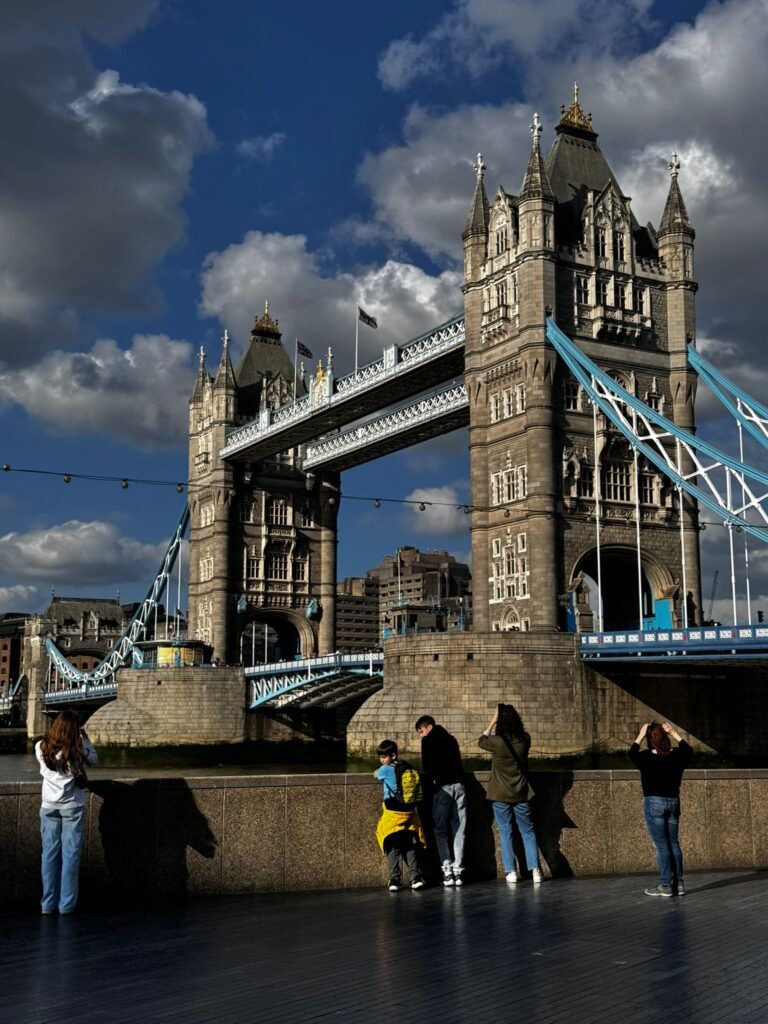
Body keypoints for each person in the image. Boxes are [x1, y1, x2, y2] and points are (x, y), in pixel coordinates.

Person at [35, 710, 98, 915]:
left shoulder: (40, 747)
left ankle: (47, 904)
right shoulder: (76, 752)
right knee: (70, 856)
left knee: (49, 855)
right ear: (74, 729)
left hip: (49, 806)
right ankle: (66, 905)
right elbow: (94, 760)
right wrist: (85, 740)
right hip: (72, 807)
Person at [479, 703, 542, 885]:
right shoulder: (525, 739)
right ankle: (535, 870)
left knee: (506, 832)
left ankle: (511, 871)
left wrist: (492, 721)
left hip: (500, 794)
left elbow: (481, 740)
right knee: (528, 832)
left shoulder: (496, 742)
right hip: (521, 793)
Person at [629, 721, 693, 897]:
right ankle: (678, 884)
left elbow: (631, 752)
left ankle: (665, 885)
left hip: (654, 803)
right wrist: (674, 732)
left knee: (661, 846)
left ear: (649, 740)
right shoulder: (677, 756)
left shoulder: (645, 757)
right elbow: (689, 751)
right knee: (674, 843)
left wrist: (641, 734)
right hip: (673, 802)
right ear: (665, 737)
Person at [415, 714, 467, 886]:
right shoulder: (451, 739)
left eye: (420, 731)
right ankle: (459, 871)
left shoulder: (428, 741)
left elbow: (427, 767)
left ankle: (447, 871)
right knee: (459, 829)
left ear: (428, 727)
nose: (421, 735)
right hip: (459, 787)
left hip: (443, 789)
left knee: (440, 830)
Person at [373, 739, 425, 891]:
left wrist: (378, 770)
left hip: (393, 813)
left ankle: (395, 879)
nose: (381, 760)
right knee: (409, 845)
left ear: (393, 755)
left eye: (384, 757)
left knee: (392, 846)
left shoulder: (385, 769)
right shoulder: (406, 766)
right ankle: (415, 878)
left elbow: (375, 775)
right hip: (408, 811)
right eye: (380, 757)